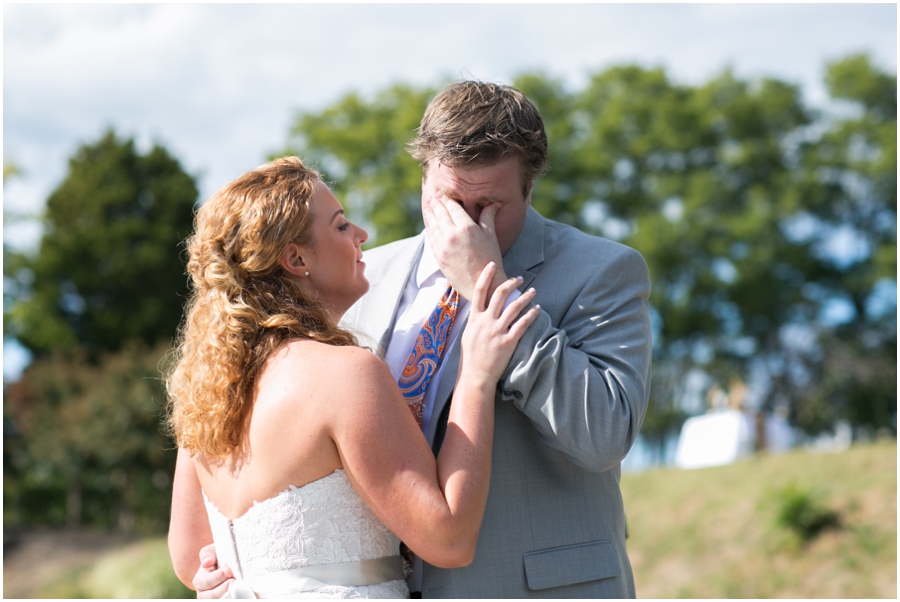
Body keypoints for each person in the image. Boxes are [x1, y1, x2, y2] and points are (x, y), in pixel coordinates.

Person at [183, 80, 653, 598]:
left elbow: (604, 436)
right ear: (424, 175)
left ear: (529, 187)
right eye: (450, 199)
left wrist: (487, 286)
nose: (469, 221)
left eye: (490, 204)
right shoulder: (362, 276)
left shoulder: (602, 271)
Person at [165, 156, 540, 598]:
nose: (362, 236)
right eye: (341, 226)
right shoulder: (345, 373)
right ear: (296, 257)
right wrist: (477, 374)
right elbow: (449, 539)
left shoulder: (209, 389)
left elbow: (191, 557)